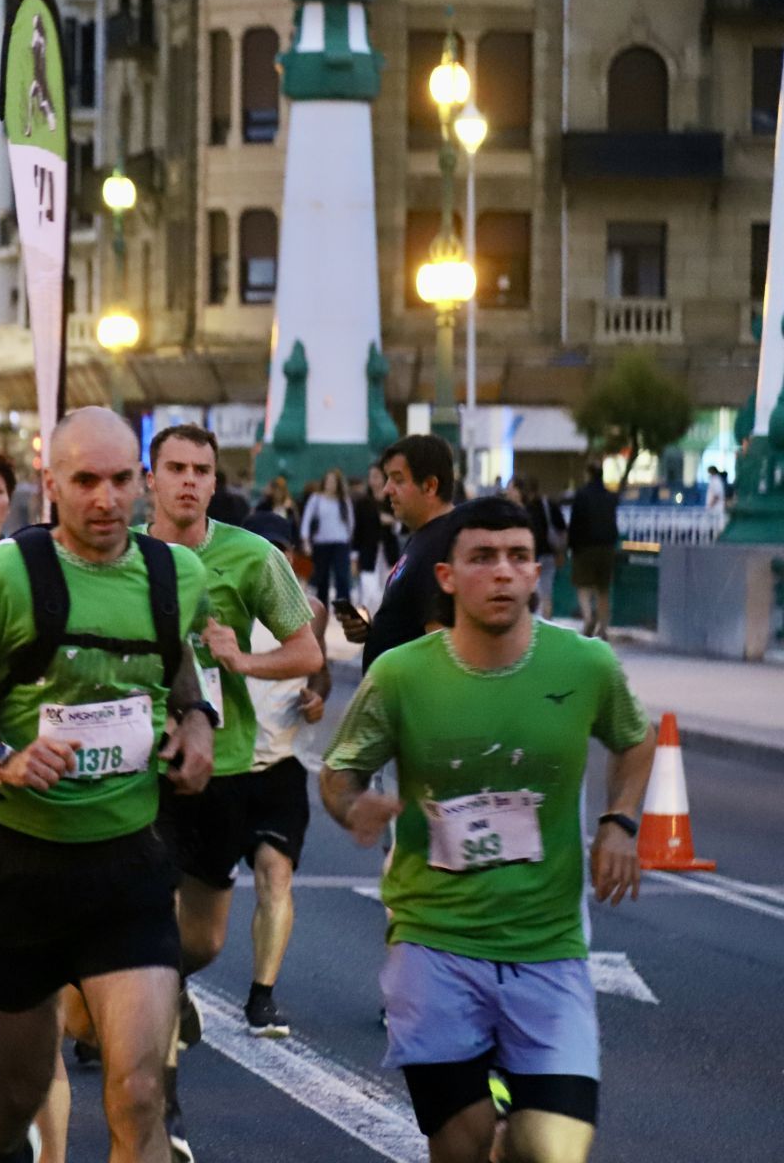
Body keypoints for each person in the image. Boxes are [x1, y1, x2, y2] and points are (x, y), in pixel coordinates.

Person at [0, 407, 217, 1163]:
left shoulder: (177, 574)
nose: (105, 499)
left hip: (129, 866)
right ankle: (1, 1149)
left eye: (119, 481)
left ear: (141, 484)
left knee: (138, 1092)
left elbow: (173, 664)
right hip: (22, 871)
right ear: (51, 486)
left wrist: (195, 720)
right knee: (20, 1089)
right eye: (85, 481)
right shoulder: (5, 575)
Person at [321, 495, 655, 1163]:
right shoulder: (402, 674)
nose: (502, 572)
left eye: (518, 558)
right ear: (447, 576)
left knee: (550, 1148)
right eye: (482, 558)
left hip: (549, 945)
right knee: (463, 1142)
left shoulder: (586, 665)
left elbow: (636, 741)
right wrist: (351, 806)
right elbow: (339, 771)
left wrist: (618, 822)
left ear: (537, 573)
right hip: (433, 943)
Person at [143, 425, 320, 1152]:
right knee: (144, 933)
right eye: (174, 469)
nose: (187, 481)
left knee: (203, 940)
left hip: (227, 766)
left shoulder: (251, 556)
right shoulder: (124, 553)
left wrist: (242, 661)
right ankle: (164, 1106)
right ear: (150, 479)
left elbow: (307, 649)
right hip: (139, 767)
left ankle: (163, 985)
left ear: (216, 482)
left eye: (201, 471)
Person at [233, 510, 330, 1037]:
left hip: (280, 763)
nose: (275, 561)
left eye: (283, 552)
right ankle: (168, 986)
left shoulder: (310, 611)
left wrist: (316, 698)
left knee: (276, 874)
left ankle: (261, 996)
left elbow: (321, 673)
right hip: (221, 766)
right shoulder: (216, 604)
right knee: (191, 903)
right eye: (263, 549)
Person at [335, 434, 459, 674]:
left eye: (398, 480)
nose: (386, 489)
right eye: (387, 478)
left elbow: (441, 644)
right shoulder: (423, 537)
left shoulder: (444, 542)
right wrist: (374, 630)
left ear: (430, 485)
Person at [567, 464, 619, 641]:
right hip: (607, 547)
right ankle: (603, 629)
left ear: (588, 474)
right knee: (603, 590)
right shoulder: (610, 496)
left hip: (585, 547)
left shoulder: (581, 495)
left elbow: (575, 522)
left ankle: (588, 617)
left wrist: (572, 546)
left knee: (583, 586)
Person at [298, 467, 354, 606]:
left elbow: (350, 521)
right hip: (321, 543)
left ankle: (343, 606)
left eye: (334, 482)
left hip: (340, 542)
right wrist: (306, 541)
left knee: (342, 576)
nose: (330, 484)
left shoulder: (343, 500)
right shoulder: (316, 499)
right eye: (328, 481)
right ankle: (322, 607)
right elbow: (306, 520)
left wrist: (348, 538)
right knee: (322, 577)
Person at [510, 477, 563, 621]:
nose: (509, 492)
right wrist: (560, 552)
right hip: (548, 555)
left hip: (529, 559)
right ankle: (546, 627)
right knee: (546, 595)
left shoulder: (519, 511)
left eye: (512, 489)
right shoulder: (547, 505)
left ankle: (536, 627)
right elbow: (562, 529)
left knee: (530, 595)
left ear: (520, 491)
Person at [352, 462, 400, 615]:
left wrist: (392, 521)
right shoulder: (363, 502)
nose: (373, 481)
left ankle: (382, 624)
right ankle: (370, 623)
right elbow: (357, 531)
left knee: (387, 590)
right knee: (369, 592)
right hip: (368, 553)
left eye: (377, 476)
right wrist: (354, 557)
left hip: (388, 552)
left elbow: (403, 527)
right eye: (371, 477)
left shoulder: (392, 500)